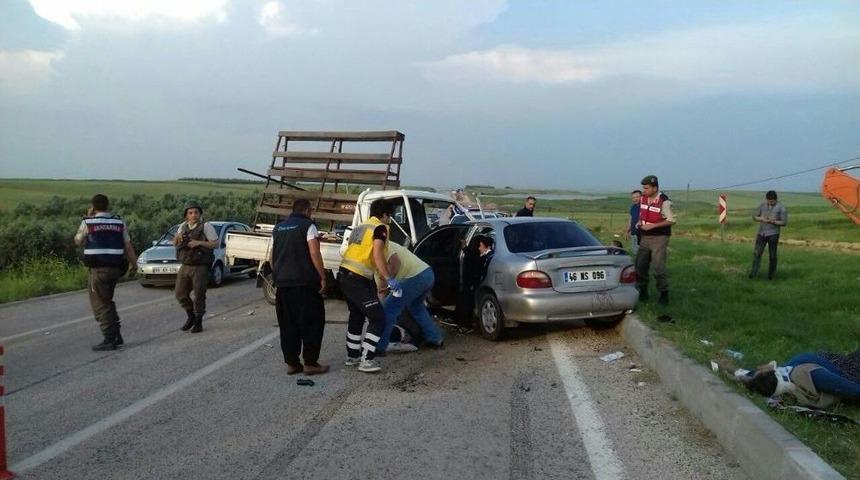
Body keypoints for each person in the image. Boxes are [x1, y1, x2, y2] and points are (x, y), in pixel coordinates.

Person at [339, 199, 400, 373]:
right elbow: (377, 253)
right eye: (391, 215)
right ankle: (367, 359)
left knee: (357, 316)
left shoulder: (360, 227)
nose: (390, 219)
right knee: (378, 318)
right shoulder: (380, 228)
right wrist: (389, 279)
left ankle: (352, 356)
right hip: (358, 279)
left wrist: (379, 278)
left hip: (345, 275)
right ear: (385, 214)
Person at [271, 199, 329, 375]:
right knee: (312, 323)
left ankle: (292, 363)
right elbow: (314, 252)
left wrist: (278, 274)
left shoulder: (279, 228)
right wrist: (322, 276)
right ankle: (310, 363)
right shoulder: (308, 226)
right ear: (308, 211)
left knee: (288, 324)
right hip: (304, 284)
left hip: (283, 284)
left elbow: (272, 256)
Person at [74, 194, 137, 351]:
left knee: (100, 305)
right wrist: (135, 265)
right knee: (107, 301)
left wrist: (88, 217)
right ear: (108, 205)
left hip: (98, 269)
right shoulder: (118, 222)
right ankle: (116, 334)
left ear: (93, 206)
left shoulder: (88, 222)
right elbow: (128, 246)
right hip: (115, 269)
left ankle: (109, 339)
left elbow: (77, 240)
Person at [375, 242, 444, 354]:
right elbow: (381, 290)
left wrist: (390, 281)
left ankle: (379, 347)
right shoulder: (386, 244)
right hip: (427, 274)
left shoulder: (381, 247)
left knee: (390, 308)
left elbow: (395, 263)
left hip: (415, 277)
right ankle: (435, 339)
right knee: (416, 307)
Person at [741, 350, 860, 408]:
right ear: (775, 374)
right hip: (845, 367)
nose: (759, 367)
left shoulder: (781, 379)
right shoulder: (809, 375)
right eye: (761, 370)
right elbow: (854, 390)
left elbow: (750, 376)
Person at [173, 201, 218, 333]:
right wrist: (178, 239)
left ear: (200, 213)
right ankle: (190, 316)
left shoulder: (206, 226)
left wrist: (198, 243)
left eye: (196, 212)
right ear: (186, 215)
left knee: (199, 295)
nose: (193, 215)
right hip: (185, 264)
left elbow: (215, 244)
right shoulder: (182, 226)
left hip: (200, 266)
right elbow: (175, 243)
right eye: (190, 213)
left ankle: (198, 321)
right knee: (180, 294)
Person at [635, 175, 675, 305]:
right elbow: (642, 214)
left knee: (658, 267)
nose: (644, 190)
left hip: (660, 237)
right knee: (640, 265)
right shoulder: (643, 199)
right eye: (643, 188)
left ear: (655, 188)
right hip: (645, 237)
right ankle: (643, 291)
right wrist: (639, 222)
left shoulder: (664, 202)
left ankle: (664, 294)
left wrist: (653, 225)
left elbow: (671, 220)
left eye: (646, 188)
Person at [455, 235, 494, 326]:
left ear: (487, 247)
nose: (479, 248)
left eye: (481, 246)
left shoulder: (486, 257)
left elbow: (474, 262)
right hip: (478, 283)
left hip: (478, 284)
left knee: (466, 300)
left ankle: (465, 322)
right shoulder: (486, 256)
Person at [749, 190, 788, 280]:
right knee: (757, 253)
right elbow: (754, 216)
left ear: (776, 199)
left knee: (772, 255)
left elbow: (784, 222)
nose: (770, 203)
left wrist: (773, 221)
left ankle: (771, 275)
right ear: (766, 199)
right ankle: (753, 273)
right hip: (761, 233)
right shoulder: (762, 205)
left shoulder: (782, 208)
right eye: (769, 201)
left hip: (773, 234)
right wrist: (762, 218)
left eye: (772, 201)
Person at [625, 190, 642, 254]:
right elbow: (631, 219)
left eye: (637, 197)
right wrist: (627, 231)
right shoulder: (633, 207)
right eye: (633, 197)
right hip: (633, 232)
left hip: (641, 233)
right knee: (634, 252)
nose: (635, 199)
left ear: (641, 197)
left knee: (640, 252)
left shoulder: (644, 207)